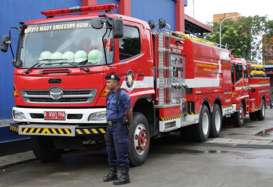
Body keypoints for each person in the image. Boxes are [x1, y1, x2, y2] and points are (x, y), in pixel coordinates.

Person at [103, 73, 132, 185]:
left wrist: (129, 124)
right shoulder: (109, 95)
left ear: (116, 82)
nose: (107, 84)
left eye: (109, 82)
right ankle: (113, 173)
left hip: (119, 126)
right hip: (110, 126)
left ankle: (124, 176)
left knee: (121, 151)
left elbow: (129, 111)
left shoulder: (123, 95)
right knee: (111, 151)